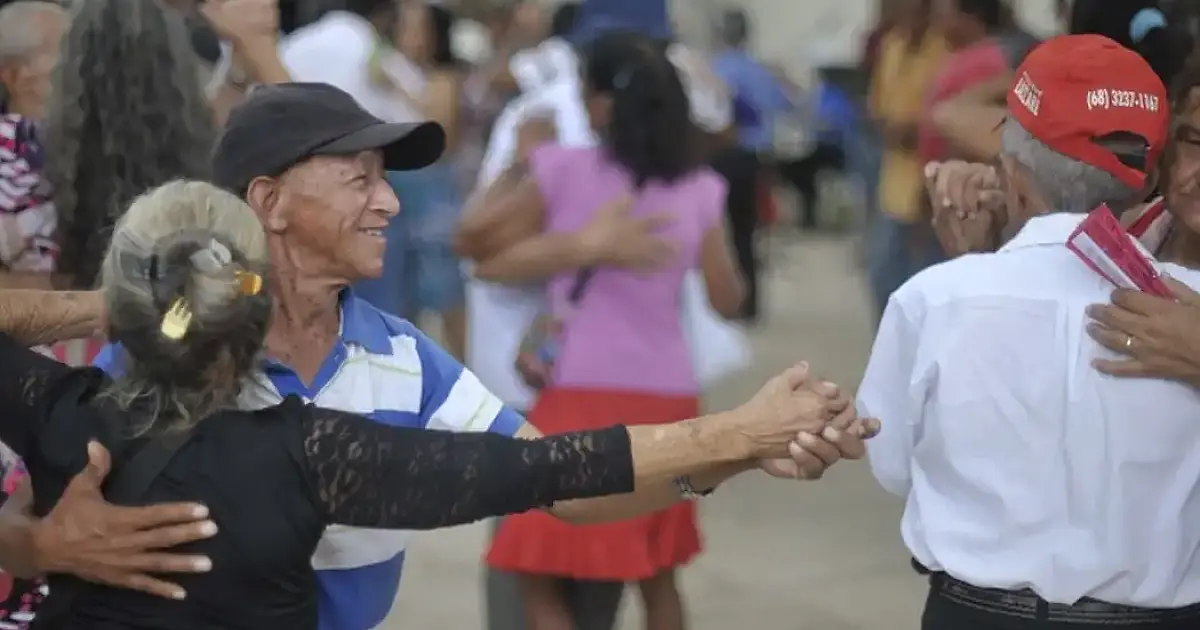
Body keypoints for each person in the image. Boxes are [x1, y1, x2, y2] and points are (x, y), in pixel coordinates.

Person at [79, 82, 872, 630]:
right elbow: (57, 471)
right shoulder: (177, 342)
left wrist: (740, 453)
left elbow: (558, 484)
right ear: (269, 202)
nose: (390, 202)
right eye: (359, 179)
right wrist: (37, 542)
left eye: (385, 180)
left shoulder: (402, 356)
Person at [859, 35, 1200, 630]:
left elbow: (891, 462)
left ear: (1012, 172)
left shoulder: (934, 300)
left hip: (975, 615)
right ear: (1149, 176)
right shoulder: (1187, 310)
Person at [466, 31, 742, 630]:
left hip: (579, 396)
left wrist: (578, 244)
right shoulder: (700, 188)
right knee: (658, 570)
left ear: (599, 104)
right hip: (669, 398)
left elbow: (484, 257)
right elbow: (728, 298)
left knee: (534, 566)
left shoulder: (562, 169)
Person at [373, 1, 470, 358]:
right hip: (400, 184)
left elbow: (439, 127)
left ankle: (464, 361)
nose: (408, 36)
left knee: (442, 283)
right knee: (402, 283)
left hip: (431, 187)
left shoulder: (442, 77)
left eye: (417, 29)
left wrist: (398, 87)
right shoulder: (393, 69)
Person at [865, 0, 948, 320]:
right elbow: (877, 106)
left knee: (925, 278)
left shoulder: (944, 49)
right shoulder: (891, 45)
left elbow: (946, 116)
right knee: (882, 275)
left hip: (931, 183)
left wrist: (914, 130)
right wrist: (886, 127)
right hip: (893, 183)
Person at [709, 8, 792, 322]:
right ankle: (752, 304)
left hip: (725, 156)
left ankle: (727, 302)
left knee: (722, 233)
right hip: (757, 158)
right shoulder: (759, 70)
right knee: (748, 231)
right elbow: (783, 105)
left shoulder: (717, 69)